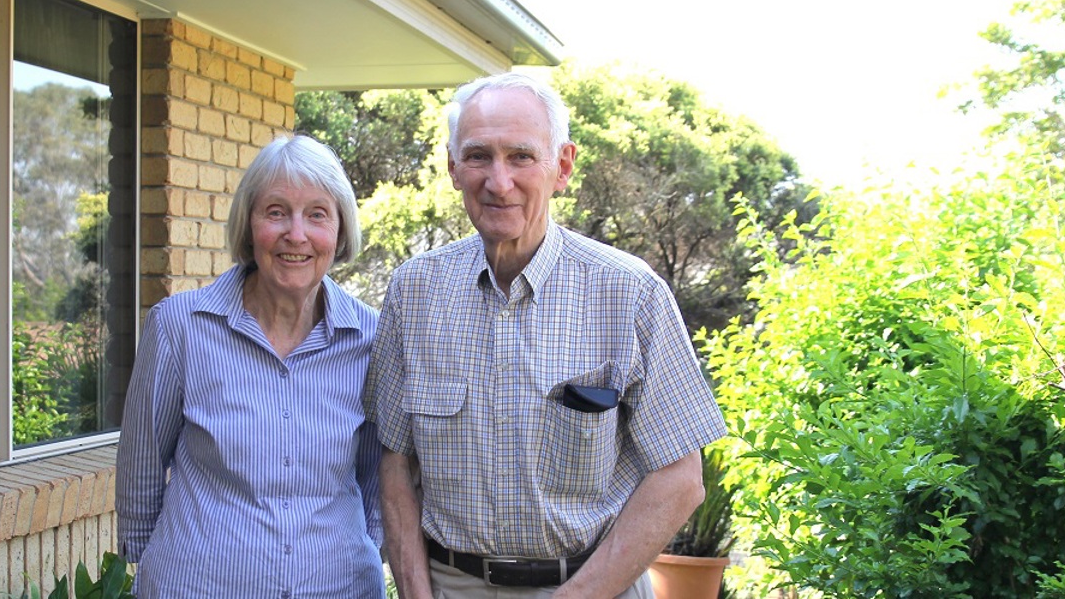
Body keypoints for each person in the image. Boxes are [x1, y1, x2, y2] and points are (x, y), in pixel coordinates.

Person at [364, 71, 727, 598]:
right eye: (478, 156)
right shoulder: (413, 293)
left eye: (521, 156)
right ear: (452, 168)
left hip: (592, 585)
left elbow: (680, 480)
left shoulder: (629, 293)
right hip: (451, 587)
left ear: (563, 167)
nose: (499, 180)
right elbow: (395, 463)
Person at [117, 135, 385, 598]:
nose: (296, 234)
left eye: (317, 214)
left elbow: (377, 478)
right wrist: (152, 563)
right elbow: (141, 463)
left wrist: (363, 551)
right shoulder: (180, 326)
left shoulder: (371, 339)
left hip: (337, 587)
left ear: (340, 232)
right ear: (248, 224)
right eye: (276, 211)